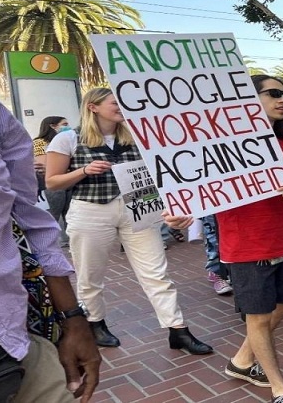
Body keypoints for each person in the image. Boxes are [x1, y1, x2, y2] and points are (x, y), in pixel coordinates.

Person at [165, 75, 283, 403]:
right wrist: (181, 211)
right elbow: (194, 190)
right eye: (273, 93)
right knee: (257, 318)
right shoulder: (218, 146)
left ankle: (242, 361)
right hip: (245, 244)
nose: (282, 100)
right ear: (246, 98)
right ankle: (279, 389)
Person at [44, 88, 214, 353]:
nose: (122, 107)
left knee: (156, 273)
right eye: (115, 102)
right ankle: (95, 323)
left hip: (138, 206)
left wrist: (171, 207)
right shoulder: (68, 138)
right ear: (93, 107)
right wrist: (84, 170)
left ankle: (178, 329)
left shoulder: (137, 135)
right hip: (91, 209)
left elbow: (161, 173)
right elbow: (52, 182)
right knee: (90, 273)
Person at [0, 90, 101, 403]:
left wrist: (73, 320)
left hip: (13, 344)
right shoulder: (63, 141)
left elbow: (29, 218)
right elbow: (52, 182)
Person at [33, 116, 72, 247]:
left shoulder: (67, 140)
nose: (68, 126)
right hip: (52, 184)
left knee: (70, 215)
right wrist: (65, 167)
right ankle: (48, 245)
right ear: (52, 126)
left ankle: (70, 242)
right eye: (64, 124)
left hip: (69, 181)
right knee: (52, 216)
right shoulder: (40, 142)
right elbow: (44, 166)